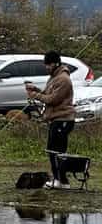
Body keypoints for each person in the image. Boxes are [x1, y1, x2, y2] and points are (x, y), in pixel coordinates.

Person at [25, 50, 76, 190]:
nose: (46, 67)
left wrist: (35, 95)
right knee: (52, 151)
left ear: (56, 63)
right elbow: (48, 94)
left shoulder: (63, 79)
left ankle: (62, 181)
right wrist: (36, 90)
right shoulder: (54, 77)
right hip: (55, 119)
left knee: (57, 152)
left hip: (63, 119)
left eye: (48, 65)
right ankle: (59, 180)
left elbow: (53, 100)